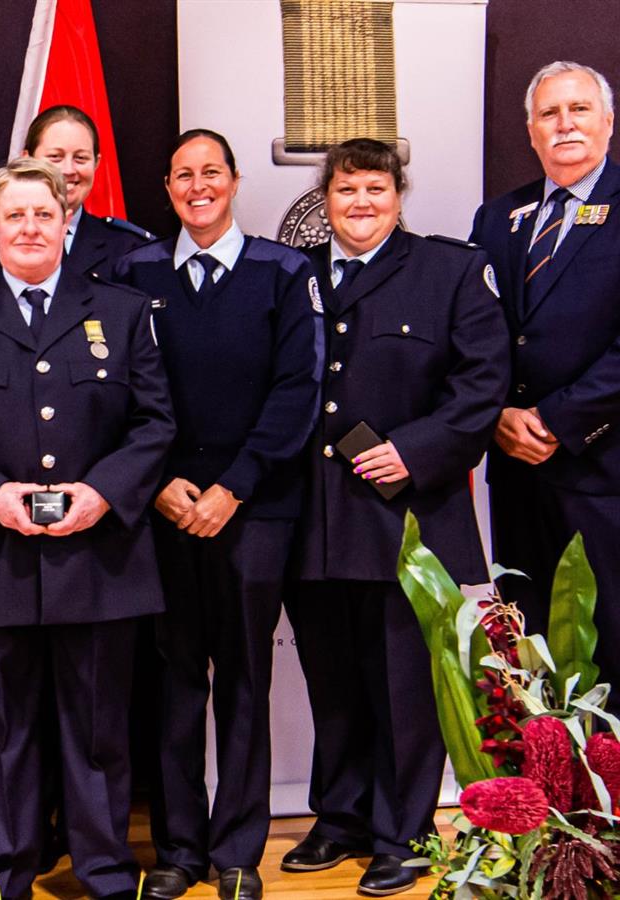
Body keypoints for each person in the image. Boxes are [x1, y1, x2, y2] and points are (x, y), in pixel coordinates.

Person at [0, 157, 175, 900]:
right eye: (13, 216)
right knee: (2, 732)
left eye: (42, 215)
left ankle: (105, 868)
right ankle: (8, 869)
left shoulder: (122, 313)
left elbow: (156, 425)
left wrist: (100, 492)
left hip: (98, 556)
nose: (28, 227)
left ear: (65, 223)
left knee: (96, 731)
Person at [284, 138, 508, 897]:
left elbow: (482, 385)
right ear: (327, 199)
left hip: (410, 518)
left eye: (376, 189)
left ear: (399, 196)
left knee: (404, 689)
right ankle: (340, 818)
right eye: (347, 190)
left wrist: (415, 450)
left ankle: (404, 833)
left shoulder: (450, 271)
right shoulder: (294, 276)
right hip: (315, 520)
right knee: (333, 683)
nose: (361, 204)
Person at [110, 129, 321, 900]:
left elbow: (297, 390)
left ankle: (237, 851)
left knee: (242, 678)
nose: (197, 186)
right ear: (166, 188)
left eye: (211, 173)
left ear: (233, 182)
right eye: (182, 176)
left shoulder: (282, 271)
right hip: (161, 509)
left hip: (252, 509)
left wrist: (235, 487)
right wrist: (159, 480)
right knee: (172, 683)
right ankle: (179, 850)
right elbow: (117, 396)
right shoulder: (131, 274)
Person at [469, 60, 620, 678]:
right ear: (530, 131)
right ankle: (543, 776)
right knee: (531, 653)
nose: (565, 125)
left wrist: (557, 419)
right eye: (548, 114)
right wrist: (497, 411)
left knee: (608, 646)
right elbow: (475, 333)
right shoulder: (497, 217)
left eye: (579, 109)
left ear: (608, 121)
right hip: (515, 473)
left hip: (601, 468)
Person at [0, 105, 153, 280]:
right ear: (27, 158)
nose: (68, 170)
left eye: (81, 158)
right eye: (55, 157)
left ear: (97, 163)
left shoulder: (127, 246)